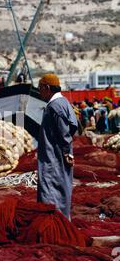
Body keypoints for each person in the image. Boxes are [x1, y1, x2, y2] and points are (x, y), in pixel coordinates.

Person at [37, 74, 78, 220]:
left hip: (52, 156)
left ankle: (53, 223)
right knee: (61, 185)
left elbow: (64, 132)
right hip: (57, 154)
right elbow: (74, 125)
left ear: (47, 88)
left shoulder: (55, 106)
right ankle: (61, 220)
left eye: (40, 88)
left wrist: (66, 152)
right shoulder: (64, 102)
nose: (39, 92)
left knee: (50, 187)